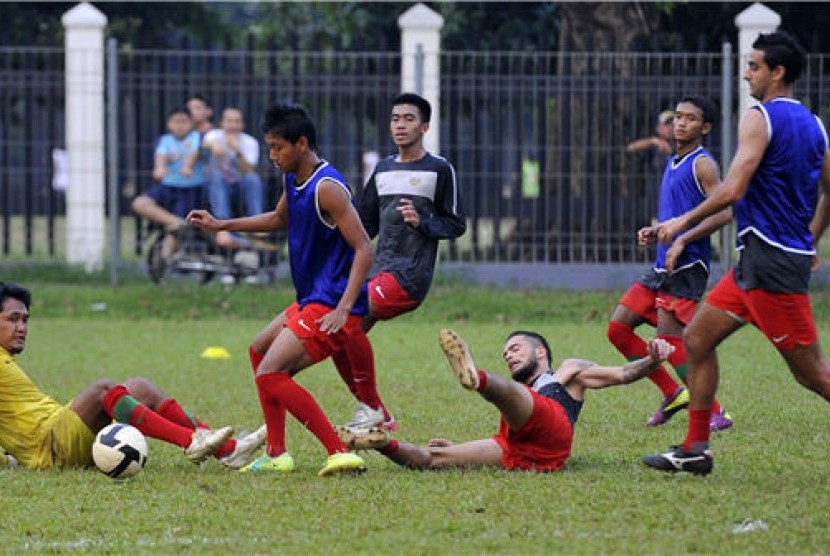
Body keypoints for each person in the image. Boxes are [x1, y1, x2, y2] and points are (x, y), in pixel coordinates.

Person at [643, 31, 830, 475]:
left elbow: (734, 187)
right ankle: (695, 449)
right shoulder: (815, 124)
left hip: (771, 266)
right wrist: (811, 240)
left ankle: (695, 446)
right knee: (697, 339)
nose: (746, 75)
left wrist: (680, 224)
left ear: (776, 72)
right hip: (758, 262)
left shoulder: (759, 116)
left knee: (812, 374)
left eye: (753, 66)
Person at [187, 103, 373, 476]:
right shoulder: (293, 178)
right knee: (259, 351)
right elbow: (279, 218)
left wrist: (344, 308)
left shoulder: (327, 188)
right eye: (269, 147)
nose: (272, 156)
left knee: (272, 372)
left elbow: (365, 247)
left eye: (278, 148)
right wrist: (222, 225)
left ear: (301, 144)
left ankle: (338, 451)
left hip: (333, 305)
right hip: (312, 300)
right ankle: (276, 453)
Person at [0, 282, 266, 471]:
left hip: (59, 428)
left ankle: (229, 451)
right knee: (104, 390)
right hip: (52, 448)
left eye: (25, 320)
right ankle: (191, 442)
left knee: (141, 387)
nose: (22, 327)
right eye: (13, 319)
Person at [340, 329, 674, 472]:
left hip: (554, 429)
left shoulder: (569, 372)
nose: (509, 355)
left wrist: (653, 360)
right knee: (433, 459)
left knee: (515, 395)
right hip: (518, 445)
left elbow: (624, 374)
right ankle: (381, 442)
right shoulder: (524, 396)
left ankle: (477, 378)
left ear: (540, 352)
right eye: (505, 354)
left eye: (515, 349)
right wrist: (459, 445)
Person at [334, 92, 467, 433]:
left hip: (410, 276)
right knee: (334, 335)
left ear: (424, 126)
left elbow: (455, 224)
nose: (400, 125)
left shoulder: (439, 169)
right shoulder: (383, 169)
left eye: (408, 118)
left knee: (348, 317)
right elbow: (365, 225)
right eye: (395, 118)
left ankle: (372, 411)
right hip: (378, 272)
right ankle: (378, 413)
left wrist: (421, 223)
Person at [608, 96, 734, 432]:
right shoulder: (673, 158)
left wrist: (682, 239)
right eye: (678, 117)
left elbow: (724, 211)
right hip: (662, 267)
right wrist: (658, 230)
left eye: (690, 119)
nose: (681, 123)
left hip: (686, 266)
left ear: (705, 127)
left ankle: (716, 411)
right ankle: (674, 392)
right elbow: (680, 214)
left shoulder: (702, 164)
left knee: (672, 342)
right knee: (618, 330)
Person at [132, 106, 207, 263]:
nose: (180, 125)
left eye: (184, 121)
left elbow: (194, 152)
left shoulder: (196, 137)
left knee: (174, 232)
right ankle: (175, 222)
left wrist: (188, 166)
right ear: (169, 124)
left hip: (189, 190)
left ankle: (165, 262)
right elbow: (161, 155)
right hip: (168, 187)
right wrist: (159, 167)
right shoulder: (165, 140)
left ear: (191, 123)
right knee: (140, 203)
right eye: (176, 121)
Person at [202, 107, 266, 247]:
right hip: (215, 187)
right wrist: (212, 146)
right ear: (222, 123)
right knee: (216, 175)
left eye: (237, 121)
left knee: (253, 179)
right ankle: (222, 226)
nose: (233, 125)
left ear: (242, 125)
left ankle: (258, 224)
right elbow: (203, 145)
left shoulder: (250, 142)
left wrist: (237, 151)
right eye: (229, 121)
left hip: (238, 187)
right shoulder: (214, 135)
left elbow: (249, 170)